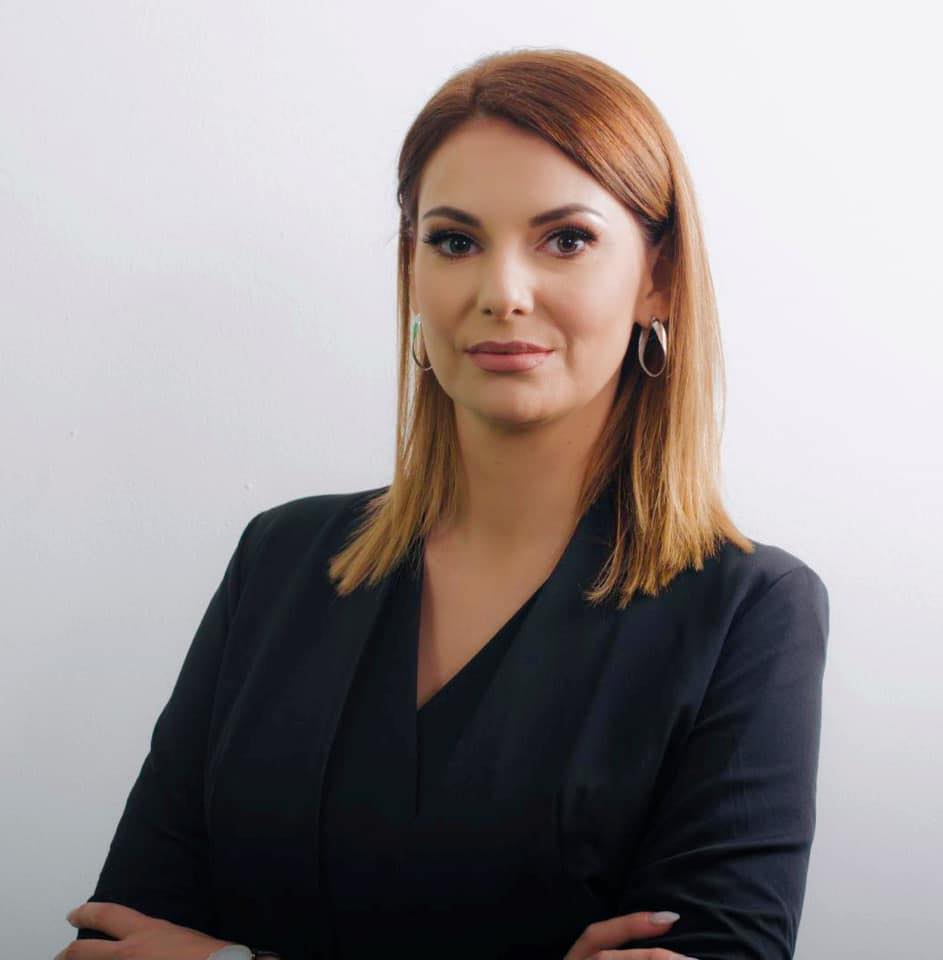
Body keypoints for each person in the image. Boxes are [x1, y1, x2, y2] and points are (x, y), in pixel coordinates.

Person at [59, 48, 829, 960]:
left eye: (566, 240)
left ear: (657, 278)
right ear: (412, 271)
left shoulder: (749, 613)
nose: (502, 294)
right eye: (456, 242)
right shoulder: (280, 558)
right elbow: (112, 939)